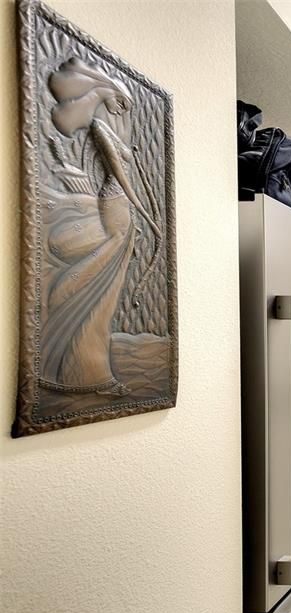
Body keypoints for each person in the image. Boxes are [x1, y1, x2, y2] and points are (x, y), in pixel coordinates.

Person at [39, 57, 161, 397]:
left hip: (122, 207)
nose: (124, 110)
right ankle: (86, 370)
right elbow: (121, 178)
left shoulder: (116, 130)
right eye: (122, 103)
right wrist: (147, 215)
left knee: (110, 285)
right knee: (103, 285)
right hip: (116, 203)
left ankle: (87, 366)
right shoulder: (99, 129)